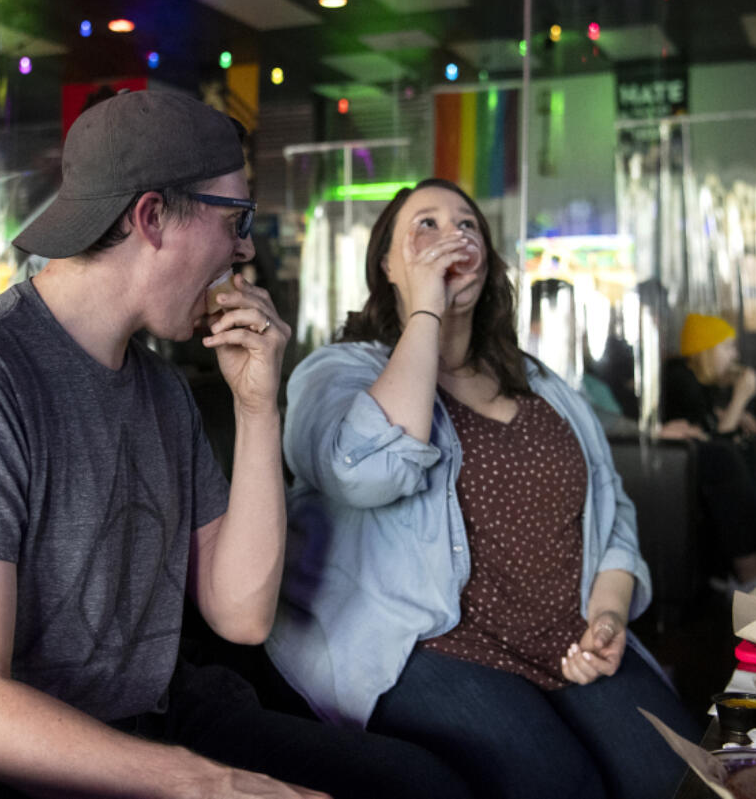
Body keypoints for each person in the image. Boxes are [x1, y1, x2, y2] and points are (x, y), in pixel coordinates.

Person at [0, 90, 473, 799]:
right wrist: (204, 782)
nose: (243, 247)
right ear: (150, 217)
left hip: (143, 720)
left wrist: (258, 405)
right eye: (234, 218)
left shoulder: (163, 392)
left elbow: (240, 613)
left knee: (418, 784)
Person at [266, 178, 700, 799]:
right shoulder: (337, 372)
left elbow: (612, 513)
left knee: (678, 781)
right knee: (561, 784)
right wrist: (425, 312)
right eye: (427, 225)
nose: (454, 236)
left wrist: (607, 613)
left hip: (566, 632)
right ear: (387, 265)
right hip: (431, 644)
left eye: (467, 225)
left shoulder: (542, 384)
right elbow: (367, 472)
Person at [662, 312, 756, 589]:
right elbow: (716, 443)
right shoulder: (680, 380)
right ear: (707, 350)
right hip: (680, 466)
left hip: (700, 460)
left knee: (746, 446)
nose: (735, 354)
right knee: (730, 456)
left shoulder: (699, 381)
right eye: (728, 346)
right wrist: (740, 400)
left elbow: (710, 428)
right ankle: (751, 571)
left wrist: (729, 412)